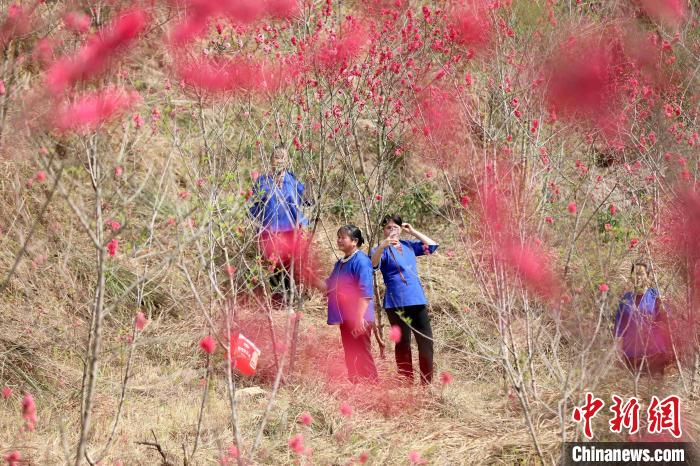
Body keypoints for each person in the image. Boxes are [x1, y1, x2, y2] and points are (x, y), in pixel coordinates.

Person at [371, 214, 438, 384]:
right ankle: (406, 381)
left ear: (401, 229)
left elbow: (432, 246)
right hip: (396, 302)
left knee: (426, 341)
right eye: (388, 227)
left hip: (416, 299)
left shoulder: (409, 246)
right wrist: (382, 246)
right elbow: (373, 264)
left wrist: (413, 231)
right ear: (383, 231)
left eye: (395, 227)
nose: (392, 230)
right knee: (402, 343)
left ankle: (426, 382)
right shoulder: (382, 250)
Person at [248, 146, 311, 307]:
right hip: (269, 232)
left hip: (291, 231)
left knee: (290, 267)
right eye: (276, 156)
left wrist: (311, 182)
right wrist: (259, 225)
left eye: (283, 157)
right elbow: (252, 207)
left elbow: (307, 201)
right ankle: (277, 304)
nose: (280, 160)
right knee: (274, 267)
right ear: (271, 160)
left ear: (288, 160)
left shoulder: (292, 180)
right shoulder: (262, 181)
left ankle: (291, 302)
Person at [316, 225, 378, 383]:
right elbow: (328, 286)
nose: (339, 240)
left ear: (355, 241)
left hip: (360, 317)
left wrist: (359, 318)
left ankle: (372, 388)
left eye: (343, 237)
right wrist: (309, 277)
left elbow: (366, 293)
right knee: (350, 353)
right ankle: (355, 388)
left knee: (362, 354)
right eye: (338, 237)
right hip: (346, 318)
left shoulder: (362, 261)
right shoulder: (340, 264)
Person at [614, 261, 673, 377]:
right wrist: (618, 354)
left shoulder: (656, 296)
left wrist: (662, 308)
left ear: (648, 276)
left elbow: (668, 322)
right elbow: (619, 329)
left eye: (641, 273)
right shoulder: (626, 299)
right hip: (631, 357)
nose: (638, 277)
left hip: (654, 355)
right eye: (635, 274)